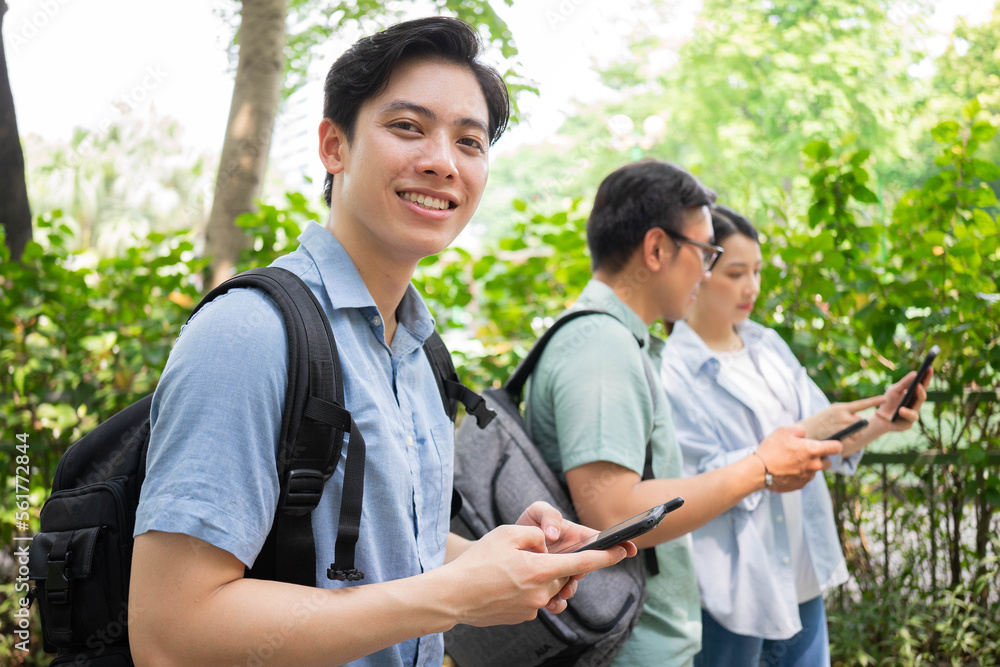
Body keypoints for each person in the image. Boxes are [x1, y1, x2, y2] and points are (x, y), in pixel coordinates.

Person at [128, 17, 633, 667]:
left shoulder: (418, 351)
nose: (442, 161)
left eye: (469, 141)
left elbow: (390, 554)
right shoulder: (250, 334)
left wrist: (491, 559)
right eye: (407, 127)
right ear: (334, 146)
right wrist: (449, 596)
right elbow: (171, 632)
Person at [524, 160, 845, 667]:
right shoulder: (602, 347)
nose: (708, 269)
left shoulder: (616, 340)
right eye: (706, 252)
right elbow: (612, 511)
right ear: (656, 249)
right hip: (630, 646)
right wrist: (759, 468)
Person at [661, 205, 930, 666]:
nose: (752, 287)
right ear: (700, 271)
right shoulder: (672, 370)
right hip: (735, 588)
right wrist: (790, 444)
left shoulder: (767, 345)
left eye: (758, 271)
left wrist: (883, 420)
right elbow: (695, 477)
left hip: (801, 574)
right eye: (736, 273)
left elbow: (823, 436)